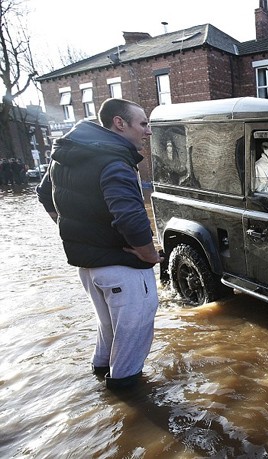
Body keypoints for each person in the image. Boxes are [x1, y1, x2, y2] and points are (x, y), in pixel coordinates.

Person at [37, 98, 161, 390]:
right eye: (143, 124)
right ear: (120, 123)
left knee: (109, 331)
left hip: (89, 269)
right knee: (132, 342)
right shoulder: (115, 159)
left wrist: (78, 232)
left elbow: (44, 194)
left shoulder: (67, 153)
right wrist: (149, 255)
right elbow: (131, 216)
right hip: (123, 269)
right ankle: (130, 409)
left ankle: (101, 390)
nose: (148, 132)